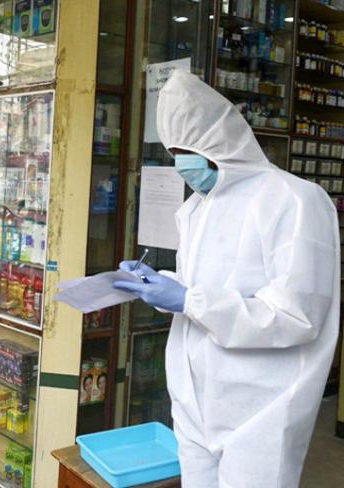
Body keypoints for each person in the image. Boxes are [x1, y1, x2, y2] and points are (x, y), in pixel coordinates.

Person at [112, 70, 340, 488]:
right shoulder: (198, 208)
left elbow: (298, 316)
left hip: (260, 408)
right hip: (194, 400)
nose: (180, 163)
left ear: (219, 141)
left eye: (186, 151)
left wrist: (188, 300)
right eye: (173, 151)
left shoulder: (293, 200)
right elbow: (200, 284)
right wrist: (158, 286)